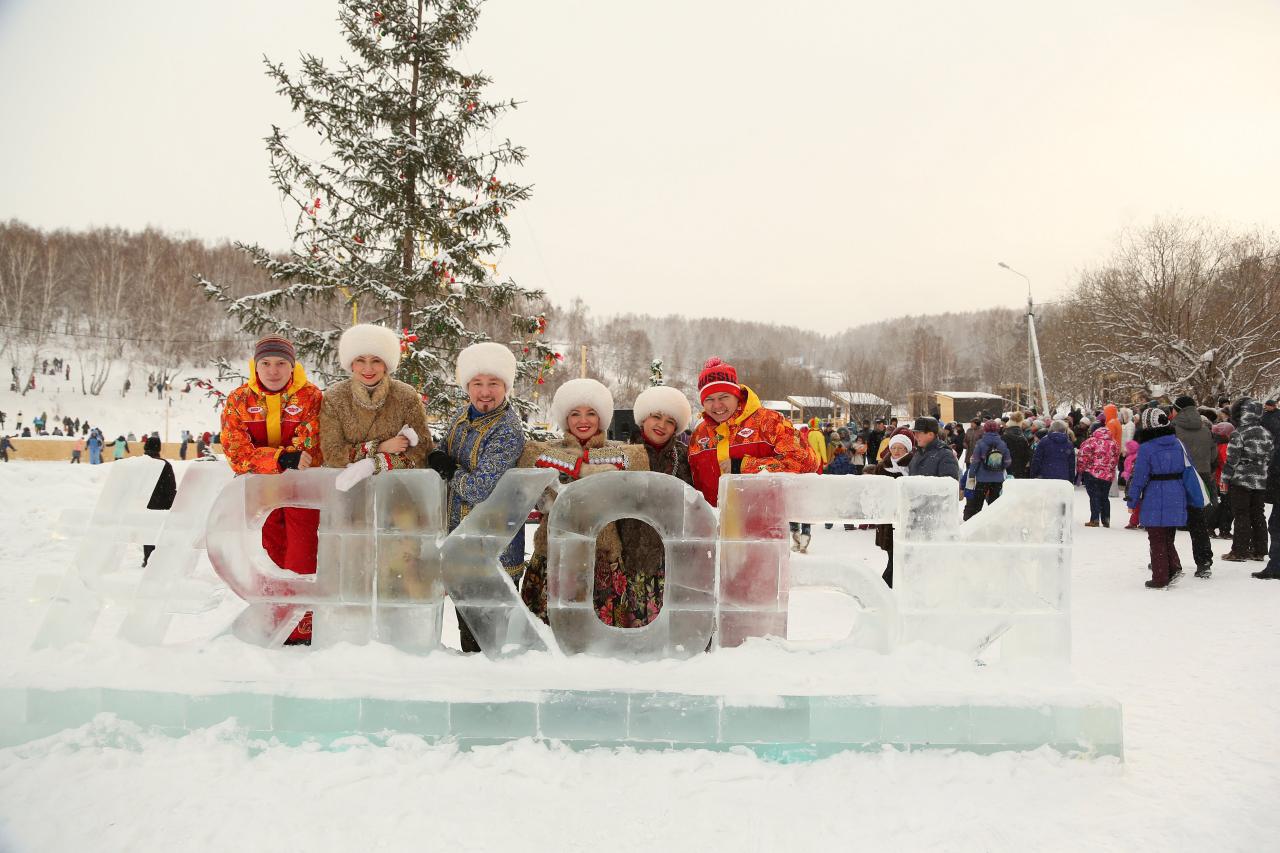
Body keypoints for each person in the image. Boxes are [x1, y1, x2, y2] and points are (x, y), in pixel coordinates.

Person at [516, 378, 648, 624]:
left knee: (599, 636)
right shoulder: (549, 447)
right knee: (548, 631)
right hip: (554, 551)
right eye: (575, 413)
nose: (583, 420)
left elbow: (640, 459)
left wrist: (586, 459)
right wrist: (581, 466)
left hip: (603, 553)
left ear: (602, 418)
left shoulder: (618, 449)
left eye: (591, 413)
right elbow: (529, 454)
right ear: (566, 418)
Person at [222, 334, 325, 644]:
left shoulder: (310, 397)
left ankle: (303, 626)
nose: (273, 371)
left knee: (302, 555)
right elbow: (237, 453)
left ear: (292, 367)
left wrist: (282, 458)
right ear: (256, 366)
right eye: (265, 364)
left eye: (281, 364)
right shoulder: (239, 400)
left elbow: (309, 450)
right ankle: (276, 619)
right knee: (270, 556)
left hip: (301, 493)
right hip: (263, 494)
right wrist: (280, 458)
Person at [426, 341, 527, 652]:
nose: (485, 392)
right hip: (462, 542)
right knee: (468, 631)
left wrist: (449, 470)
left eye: (493, 384)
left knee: (491, 636)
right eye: (477, 384)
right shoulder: (462, 416)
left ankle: (496, 696)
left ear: (505, 386)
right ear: (466, 386)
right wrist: (439, 457)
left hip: (494, 548)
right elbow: (440, 448)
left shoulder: (507, 429)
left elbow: (479, 488)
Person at [686, 357, 817, 558]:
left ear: (737, 395)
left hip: (763, 541)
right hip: (714, 543)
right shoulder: (699, 435)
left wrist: (744, 466)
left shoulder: (768, 422)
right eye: (709, 399)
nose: (717, 405)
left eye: (723, 397)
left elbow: (807, 460)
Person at [607, 385, 696, 626]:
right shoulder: (621, 453)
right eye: (656, 416)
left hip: (668, 556)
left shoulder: (685, 457)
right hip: (628, 552)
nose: (662, 425)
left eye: (670, 421)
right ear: (643, 418)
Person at [320, 323, 432, 485]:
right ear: (351, 363)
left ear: (386, 363)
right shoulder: (335, 397)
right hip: (349, 490)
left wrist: (377, 463)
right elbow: (332, 453)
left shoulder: (405, 395)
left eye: (376, 360)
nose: (368, 368)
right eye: (360, 360)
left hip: (396, 490)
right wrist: (379, 448)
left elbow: (421, 449)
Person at [1127, 407, 1206, 588]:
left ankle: (1160, 577)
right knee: (1167, 535)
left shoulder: (1147, 448)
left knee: (1156, 536)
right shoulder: (1179, 444)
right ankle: (1172, 567)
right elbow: (1189, 469)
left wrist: (1132, 499)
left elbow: (1139, 477)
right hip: (1176, 492)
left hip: (1155, 492)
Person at [1220, 399, 1273, 563]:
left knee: (1241, 514)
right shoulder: (1266, 433)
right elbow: (1270, 457)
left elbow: (1232, 460)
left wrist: (1224, 480)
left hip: (1241, 479)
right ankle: (1259, 549)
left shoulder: (1239, 433)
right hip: (1261, 480)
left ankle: (1239, 551)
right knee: (1258, 514)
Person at [1171, 395, 1216, 573]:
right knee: (1198, 522)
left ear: (1178, 409)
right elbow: (1213, 456)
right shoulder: (1205, 428)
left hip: (1179, 476)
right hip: (1201, 476)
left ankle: (1167, 558)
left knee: (1170, 519)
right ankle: (1204, 562)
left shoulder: (1173, 428)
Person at [866, 432, 914, 586]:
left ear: (907, 449)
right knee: (893, 558)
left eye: (901, 448)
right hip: (888, 519)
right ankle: (883, 589)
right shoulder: (882, 466)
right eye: (893, 447)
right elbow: (874, 491)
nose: (896, 451)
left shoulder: (912, 465)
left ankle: (887, 589)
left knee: (900, 559)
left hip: (907, 517)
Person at [140, 435, 176, 567]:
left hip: (144, 505)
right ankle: (156, 561)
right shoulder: (164, 465)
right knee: (159, 534)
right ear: (158, 448)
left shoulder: (140, 465)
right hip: (161, 505)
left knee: (148, 533)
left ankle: (147, 558)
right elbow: (170, 488)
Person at [964, 420, 1011, 520]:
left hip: (982, 479)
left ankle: (977, 522)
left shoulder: (980, 443)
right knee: (994, 504)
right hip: (997, 479)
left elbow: (975, 461)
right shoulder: (1002, 444)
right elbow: (1008, 461)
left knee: (978, 504)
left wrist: (972, 475)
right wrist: (999, 466)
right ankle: (993, 522)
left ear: (985, 429)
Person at [1077, 421, 1120, 528]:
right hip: (1108, 475)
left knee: (1094, 496)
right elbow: (1115, 459)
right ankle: (1106, 519)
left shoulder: (1091, 441)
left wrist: (1080, 470)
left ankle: (1094, 519)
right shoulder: (1114, 443)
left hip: (1092, 473)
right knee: (1104, 497)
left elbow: (1083, 456)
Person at [1002, 412, 1032, 478]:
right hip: (1020, 468)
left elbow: (1001, 452)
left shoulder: (1005, 436)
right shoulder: (1023, 437)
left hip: (1007, 468)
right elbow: (1026, 454)